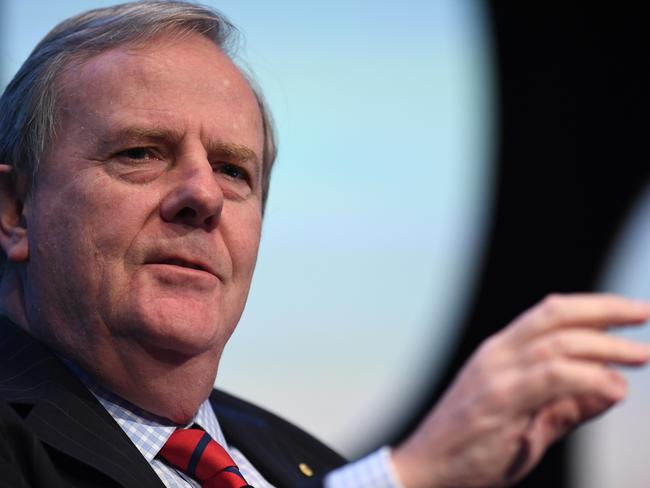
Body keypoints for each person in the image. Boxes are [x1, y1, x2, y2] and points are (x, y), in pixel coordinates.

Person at [0, 2, 648, 487]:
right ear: (15, 211)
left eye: (234, 171)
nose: (203, 196)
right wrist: (411, 476)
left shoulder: (301, 461)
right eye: (141, 153)